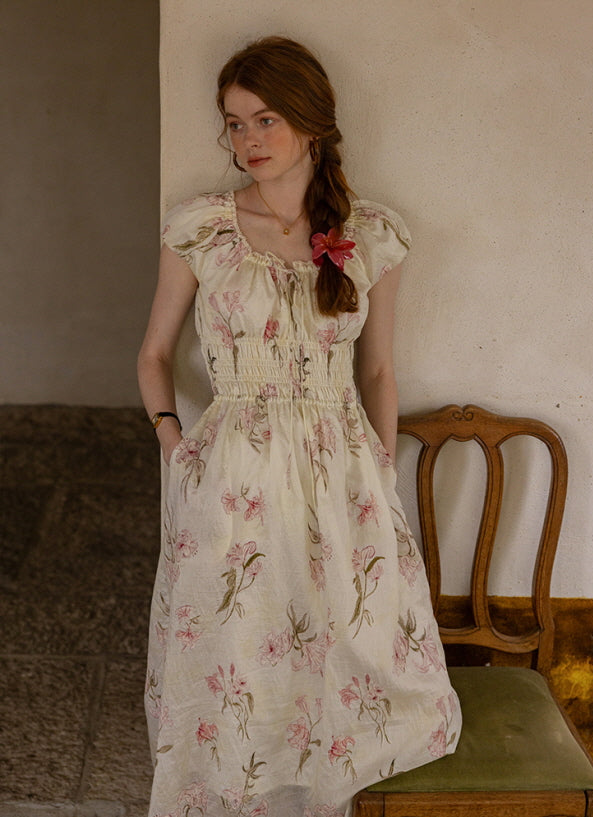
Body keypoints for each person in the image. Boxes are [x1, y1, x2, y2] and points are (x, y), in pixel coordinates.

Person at [138, 36, 461, 817]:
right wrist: (173, 443)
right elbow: (151, 355)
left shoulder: (370, 233)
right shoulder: (201, 229)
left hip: (339, 468)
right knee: (234, 650)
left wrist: (378, 465)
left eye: (265, 120)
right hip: (229, 473)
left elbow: (377, 370)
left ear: (312, 123)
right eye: (234, 124)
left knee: (340, 641)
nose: (247, 141)